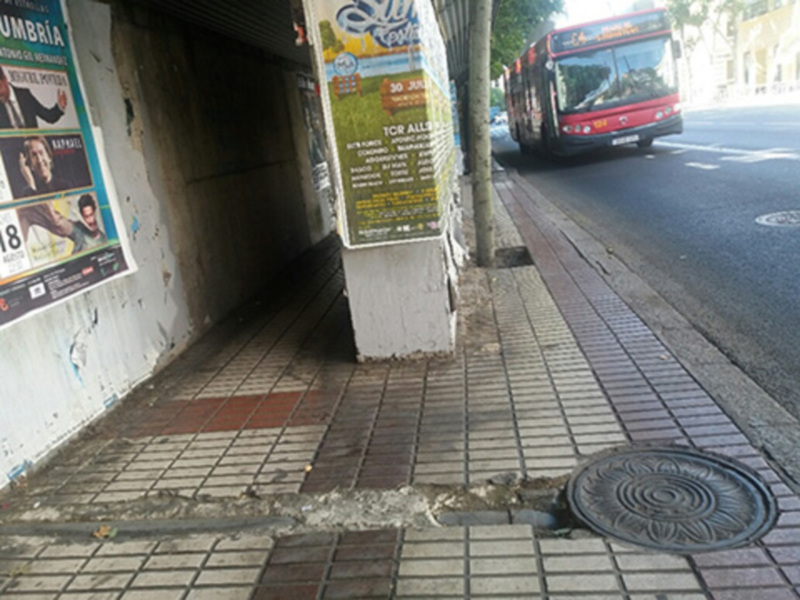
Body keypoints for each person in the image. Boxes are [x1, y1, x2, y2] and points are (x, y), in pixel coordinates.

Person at [0, 66, 67, 129]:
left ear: (5, 79)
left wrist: (59, 107)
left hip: (33, 137)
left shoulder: (25, 95)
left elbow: (49, 116)